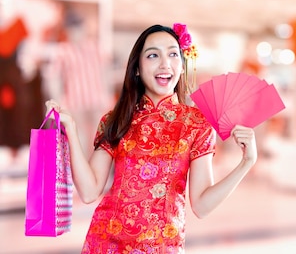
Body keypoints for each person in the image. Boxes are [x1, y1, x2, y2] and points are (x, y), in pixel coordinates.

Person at [45, 23, 258, 253]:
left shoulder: (197, 124)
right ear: (137, 68)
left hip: (163, 247)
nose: (165, 63)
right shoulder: (116, 119)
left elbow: (202, 206)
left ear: (182, 66)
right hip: (106, 243)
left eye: (173, 54)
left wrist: (246, 163)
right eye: (153, 55)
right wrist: (72, 130)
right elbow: (88, 191)